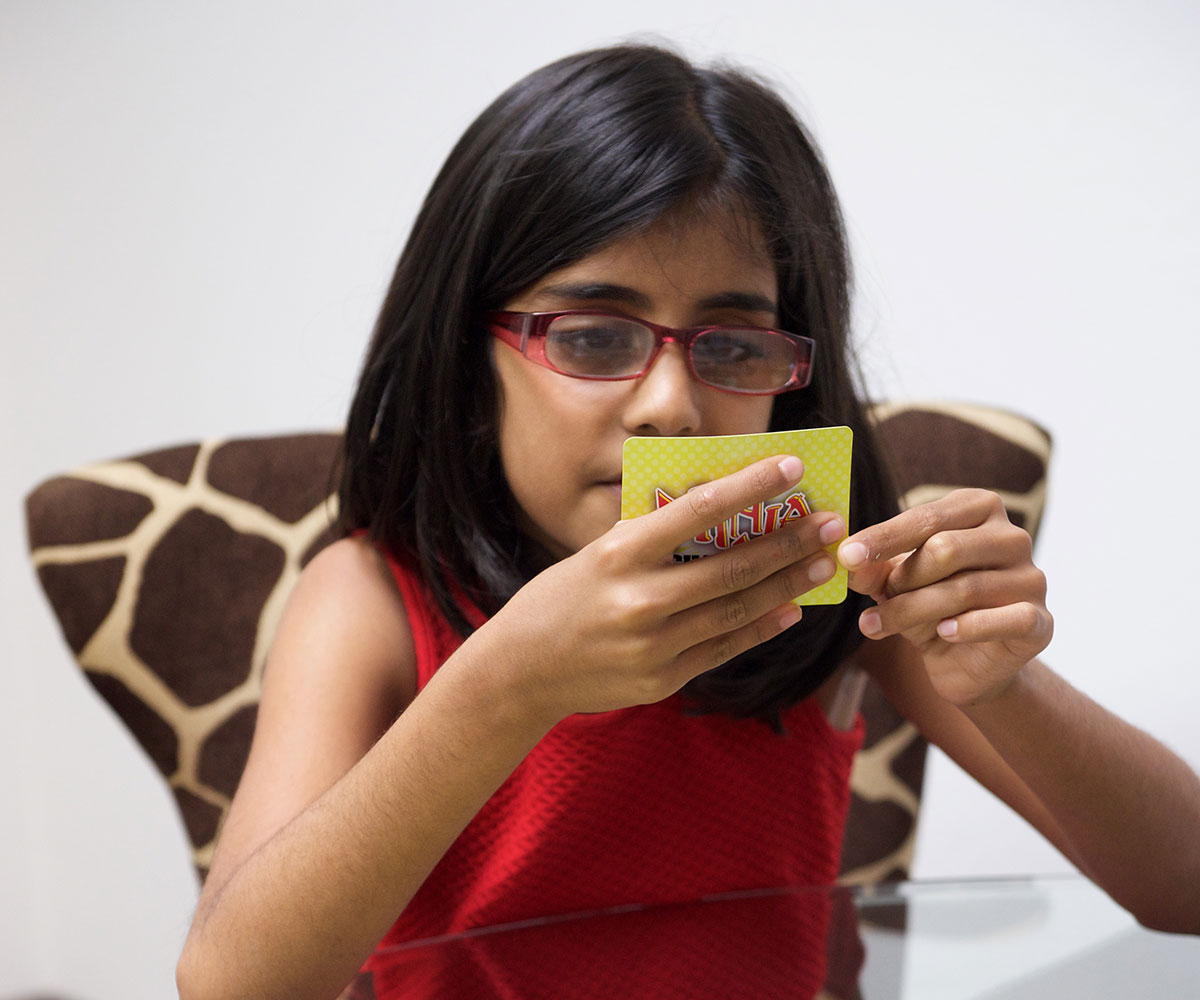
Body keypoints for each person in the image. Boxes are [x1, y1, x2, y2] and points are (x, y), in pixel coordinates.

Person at [176, 43, 1200, 1000]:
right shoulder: (368, 595)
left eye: (734, 346)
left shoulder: (820, 578)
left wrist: (1005, 679)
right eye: (591, 336)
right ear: (465, 357)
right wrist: (506, 683)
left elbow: (1182, 889)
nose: (669, 403)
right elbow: (231, 982)